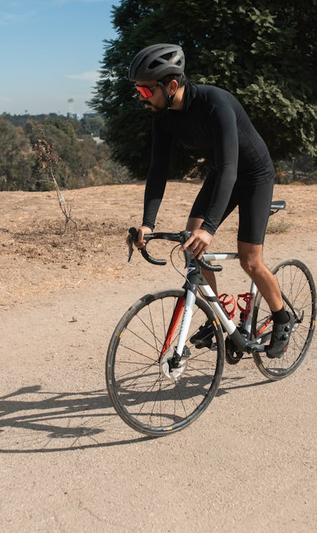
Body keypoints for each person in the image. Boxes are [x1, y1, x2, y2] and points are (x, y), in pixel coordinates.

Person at [129, 43, 294, 358]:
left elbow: (232, 169)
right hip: (222, 174)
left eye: (146, 92)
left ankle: (282, 317)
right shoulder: (162, 116)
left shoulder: (214, 103)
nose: (141, 98)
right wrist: (148, 224)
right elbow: (158, 169)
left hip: (254, 175)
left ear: (172, 85)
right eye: (138, 91)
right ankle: (221, 319)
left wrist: (211, 228)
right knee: (192, 246)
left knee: (250, 260)